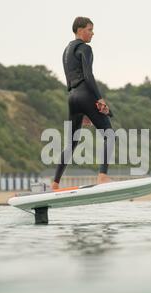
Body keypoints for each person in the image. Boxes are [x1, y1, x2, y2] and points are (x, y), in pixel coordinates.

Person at [51, 17, 113, 190]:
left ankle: (55, 183)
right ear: (79, 30)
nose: (92, 33)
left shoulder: (66, 51)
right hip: (85, 94)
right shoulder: (85, 48)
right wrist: (99, 98)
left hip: (72, 97)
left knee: (71, 143)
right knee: (109, 134)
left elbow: (71, 79)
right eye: (89, 29)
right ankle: (102, 176)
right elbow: (88, 75)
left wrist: (83, 111)